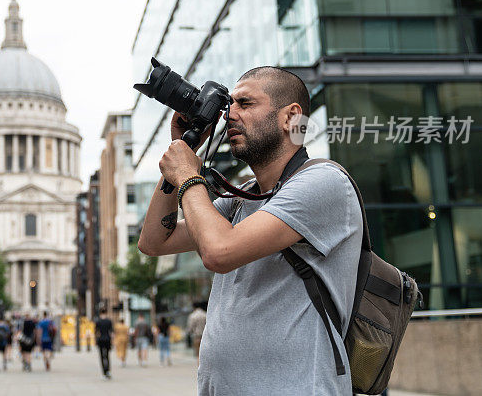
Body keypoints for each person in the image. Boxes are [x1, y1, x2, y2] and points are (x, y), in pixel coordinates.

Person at [137, 66, 362, 395]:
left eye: (245, 103)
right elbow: (155, 241)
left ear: (291, 117)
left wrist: (187, 174)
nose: (230, 116)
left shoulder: (324, 182)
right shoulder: (243, 198)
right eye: (230, 105)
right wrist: (184, 152)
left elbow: (219, 252)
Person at [94, 307, 113, 379]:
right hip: (107, 339)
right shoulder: (109, 321)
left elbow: (96, 332)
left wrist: (96, 340)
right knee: (107, 356)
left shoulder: (98, 321)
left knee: (102, 356)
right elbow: (111, 332)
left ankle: (104, 372)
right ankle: (108, 370)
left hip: (101, 340)